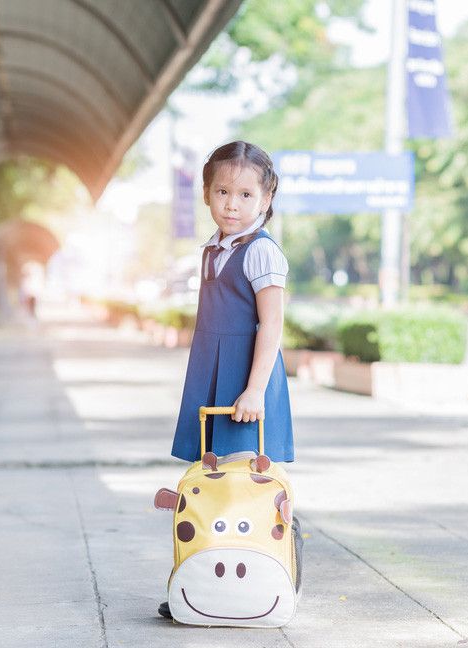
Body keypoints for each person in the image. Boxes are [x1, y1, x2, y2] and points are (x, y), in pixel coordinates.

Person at [159, 141, 299, 620]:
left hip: (245, 384)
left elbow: (272, 326)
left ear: (266, 196)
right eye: (222, 191)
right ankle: (202, 585)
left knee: (247, 486)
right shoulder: (213, 249)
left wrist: (255, 388)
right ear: (205, 194)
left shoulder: (262, 253)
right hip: (212, 380)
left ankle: (271, 581)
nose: (232, 204)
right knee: (213, 487)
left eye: (244, 194)